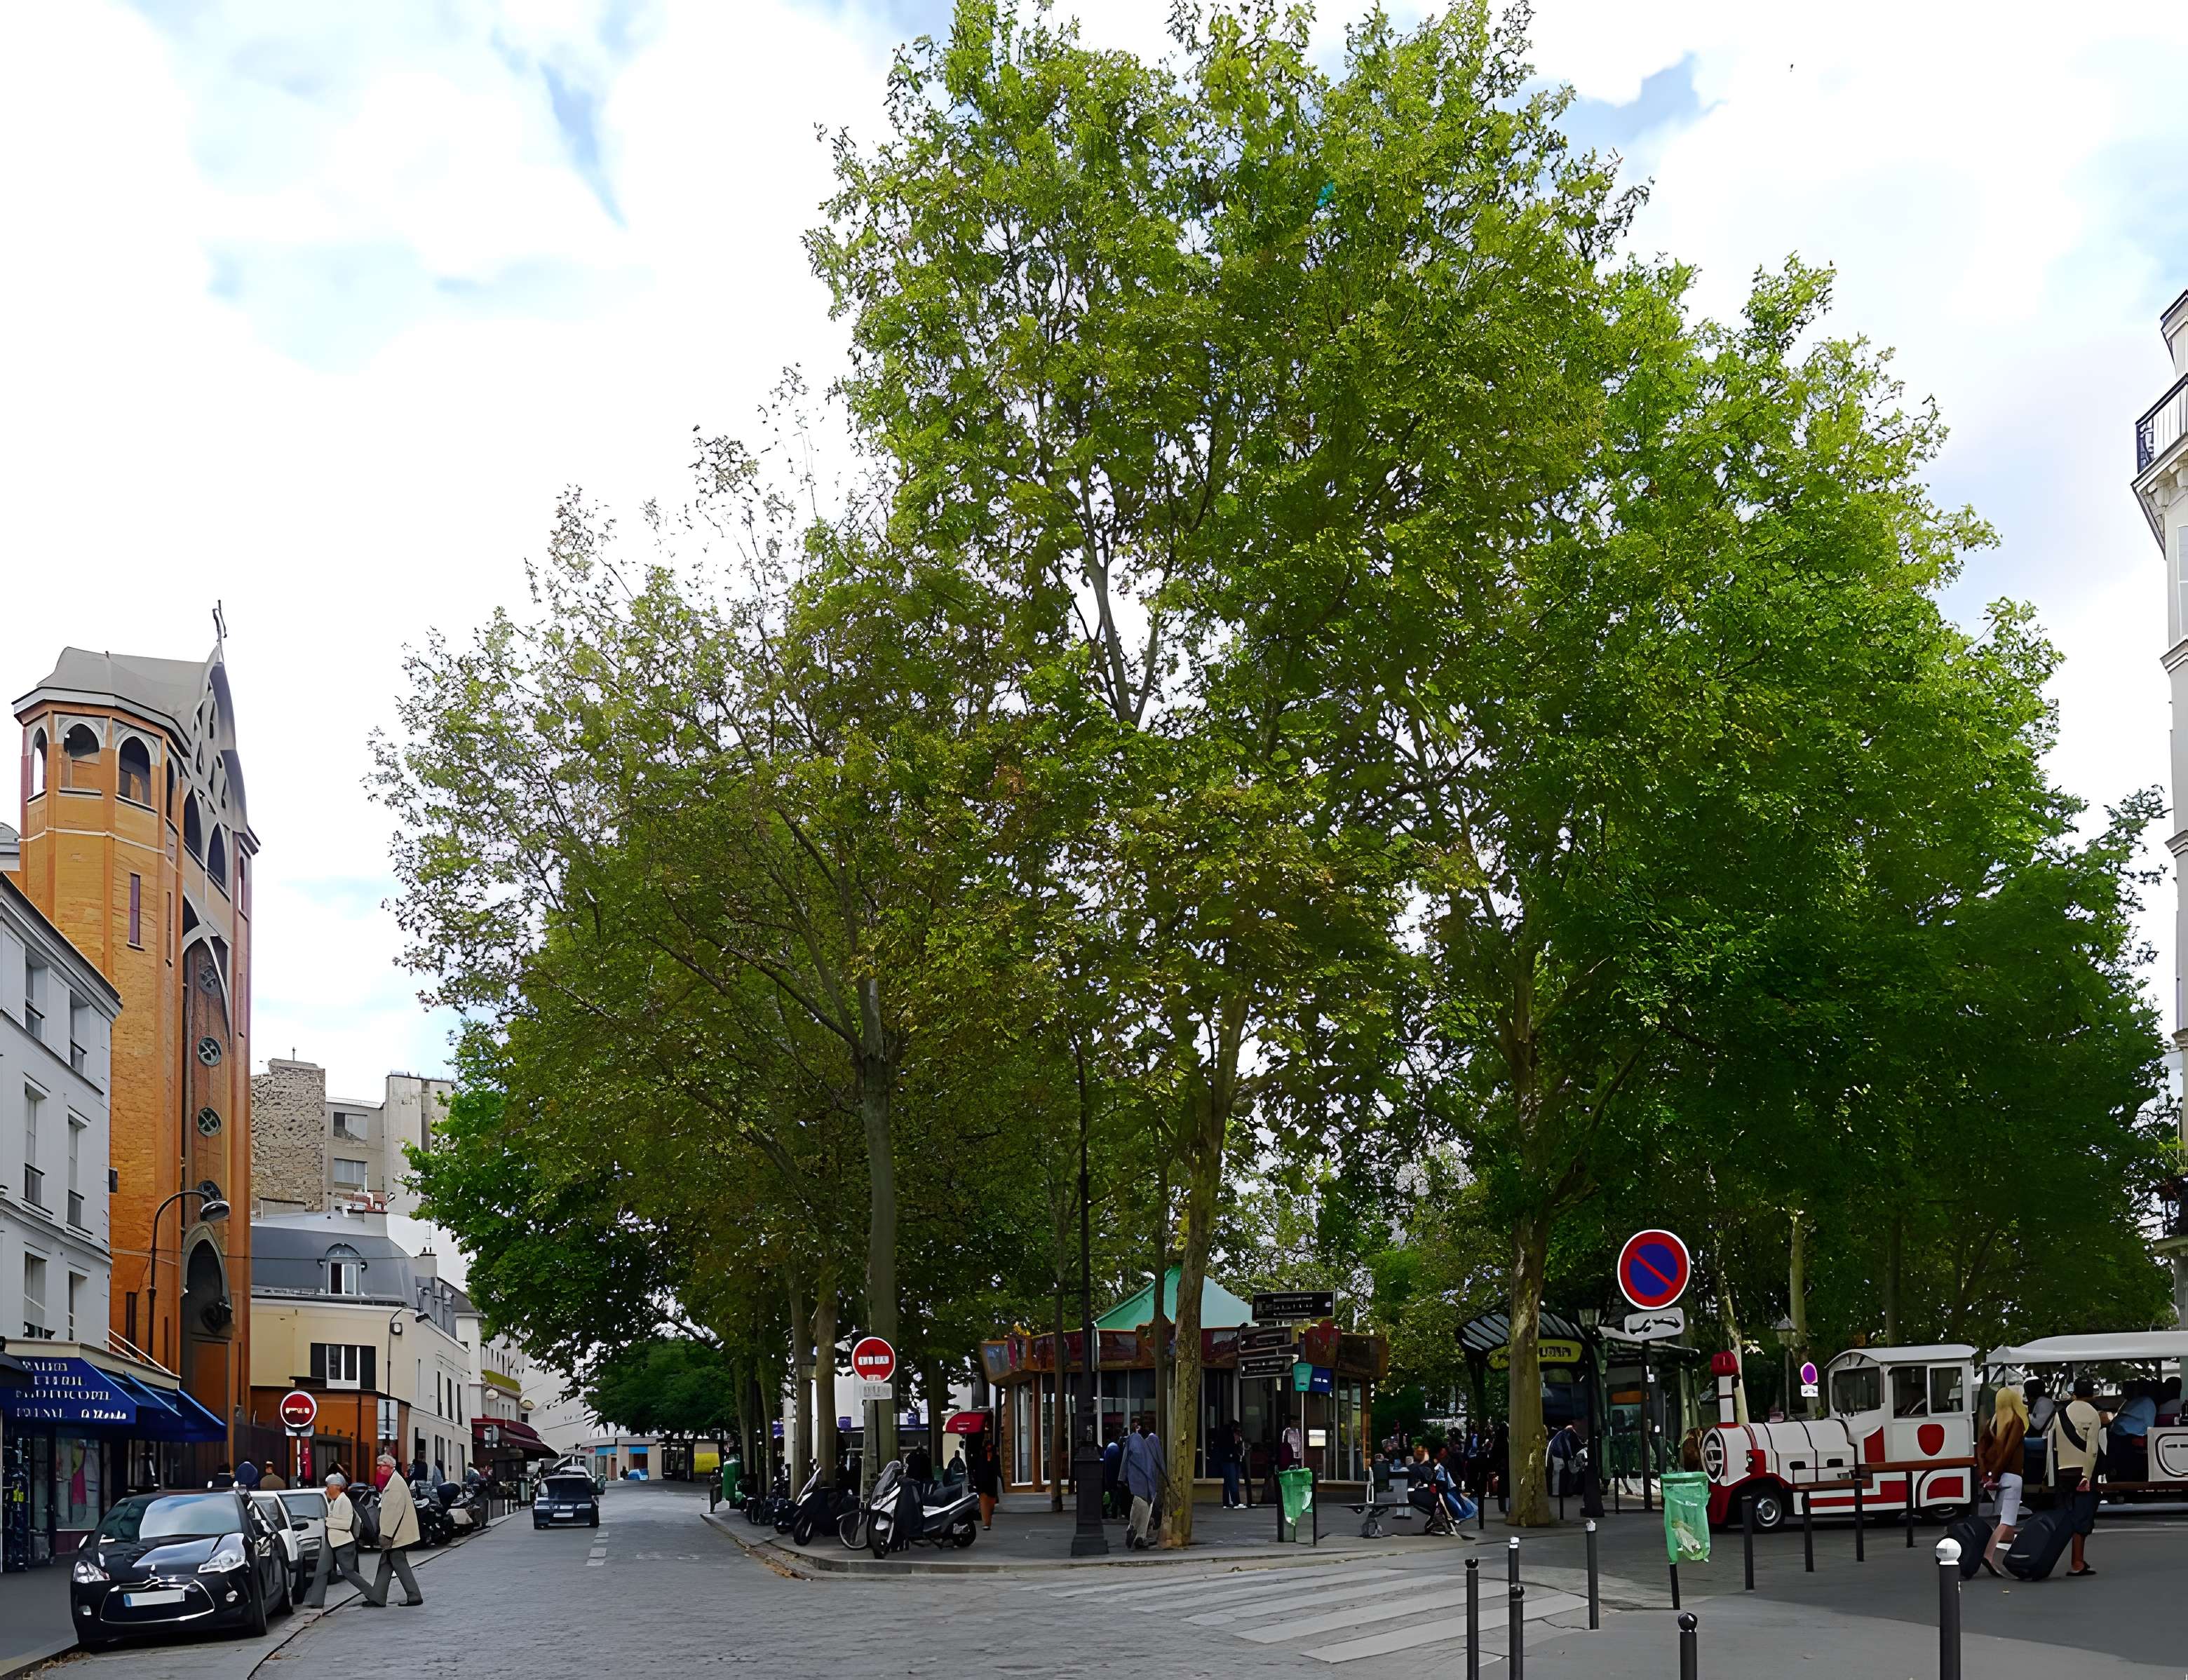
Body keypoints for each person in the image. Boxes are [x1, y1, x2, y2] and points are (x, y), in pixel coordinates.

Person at [2047, 1376, 2109, 1578]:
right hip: (2083, 1472)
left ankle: (2051, 1557)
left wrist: (2052, 1475)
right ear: (2092, 1394)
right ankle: (2077, 1562)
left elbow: (2054, 1447)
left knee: (2067, 1516)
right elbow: (2092, 1450)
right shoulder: (2093, 1414)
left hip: (2063, 1472)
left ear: (2074, 1394)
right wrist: (2087, 1476)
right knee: (2083, 1517)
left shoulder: (2060, 1414)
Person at [301, 1472, 376, 1608]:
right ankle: (316, 1602)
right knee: (322, 1570)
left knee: (349, 1572)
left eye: (328, 1486)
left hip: (343, 1543)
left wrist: (327, 1521)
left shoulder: (344, 1501)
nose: (327, 1489)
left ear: (336, 1487)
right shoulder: (335, 1501)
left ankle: (374, 1595)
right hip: (332, 1541)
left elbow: (346, 1524)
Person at [1977, 1383, 2029, 1578]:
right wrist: (1995, 1474)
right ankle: (1989, 1555)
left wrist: (1987, 1474)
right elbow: (2008, 1452)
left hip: (1997, 1478)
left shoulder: (1992, 1422)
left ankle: (2006, 1557)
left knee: (2002, 1520)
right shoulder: (2017, 1422)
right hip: (2012, 1475)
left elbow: (1981, 1448)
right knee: (2007, 1522)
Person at [364, 1453, 424, 1607]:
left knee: (399, 1563)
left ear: (391, 1467)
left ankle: (414, 1596)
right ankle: (378, 1598)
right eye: (378, 1466)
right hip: (397, 1533)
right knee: (386, 1563)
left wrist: (386, 1535)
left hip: (396, 1535)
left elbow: (393, 1513)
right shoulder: (394, 1481)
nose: (379, 1469)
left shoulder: (394, 1485)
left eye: (382, 1466)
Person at [1122, 1417, 1165, 1550]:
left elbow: (1125, 1459)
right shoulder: (1154, 1440)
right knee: (1147, 1506)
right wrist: (1166, 1477)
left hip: (1137, 1477)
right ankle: (1140, 1536)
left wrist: (1122, 1477)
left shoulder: (1132, 1439)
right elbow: (1160, 1460)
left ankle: (1133, 1527)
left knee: (1138, 1502)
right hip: (1150, 1478)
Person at [971, 1432, 1001, 1531]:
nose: (988, 1449)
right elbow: (978, 1471)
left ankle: (988, 1521)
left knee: (991, 1506)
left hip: (992, 1485)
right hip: (983, 1485)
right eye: (987, 1447)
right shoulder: (981, 1459)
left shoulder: (996, 1458)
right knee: (984, 1505)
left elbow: (998, 1470)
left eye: (990, 1447)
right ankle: (986, 1523)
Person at [1217, 1420, 1243, 1510]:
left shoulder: (1226, 1435)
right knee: (1232, 1482)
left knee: (1229, 1482)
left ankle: (1227, 1502)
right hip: (1229, 1460)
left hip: (1230, 1459)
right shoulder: (1228, 1437)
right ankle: (1236, 1502)